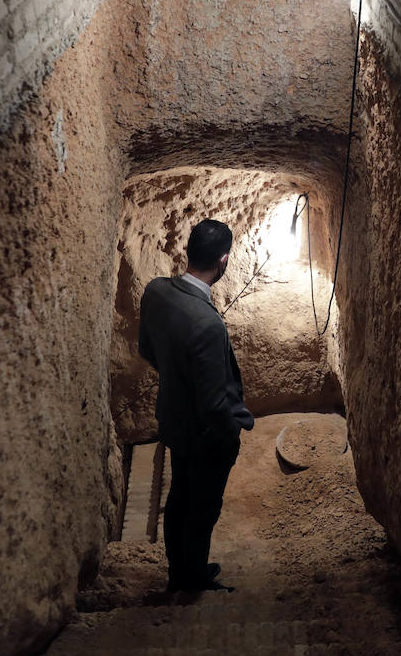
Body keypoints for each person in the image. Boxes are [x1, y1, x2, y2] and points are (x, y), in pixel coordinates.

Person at [139, 219, 255, 592]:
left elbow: (146, 349)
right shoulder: (207, 323)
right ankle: (191, 579)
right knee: (202, 505)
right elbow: (213, 401)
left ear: (188, 251)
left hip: (173, 418)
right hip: (204, 433)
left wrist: (177, 379)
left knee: (179, 495)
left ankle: (181, 572)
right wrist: (234, 429)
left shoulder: (156, 292)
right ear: (223, 261)